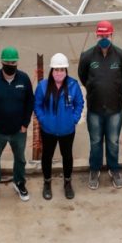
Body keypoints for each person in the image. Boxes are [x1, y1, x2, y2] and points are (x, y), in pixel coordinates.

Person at [77, 20, 122, 190]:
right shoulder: (87, 56)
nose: (104, 38)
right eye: (101, 35)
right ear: (96, 36)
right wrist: (95, 90)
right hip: (95, 109)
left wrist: (116, 92)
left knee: (113, 142)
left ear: (112, 35)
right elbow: (83, 77)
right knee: (95, 142)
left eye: (106, 35)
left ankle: (114, 169)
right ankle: (95, 170)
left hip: (115, 109)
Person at [0, 46, 34, 204]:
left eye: (14, 62)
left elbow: (29, 102)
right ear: (2, 62)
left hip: (19, 131)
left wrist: (25, 123)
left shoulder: (24, 79)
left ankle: (19, 183)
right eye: (8, 62)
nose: (11, 64)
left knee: (20, 159)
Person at [34, 53, 84, 201]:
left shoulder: (73, 85)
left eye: (62, 70)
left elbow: (79, 104)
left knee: (67, 156)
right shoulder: (42, 86)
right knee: (47, 156)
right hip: (48, 130)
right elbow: (37, 105)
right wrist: (43, 120)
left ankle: (67, 182)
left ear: (66, 71)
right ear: (51, 71)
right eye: (56, 70)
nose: (59, 73)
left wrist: (73, 119)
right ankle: (47, 182)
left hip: (67, 131)